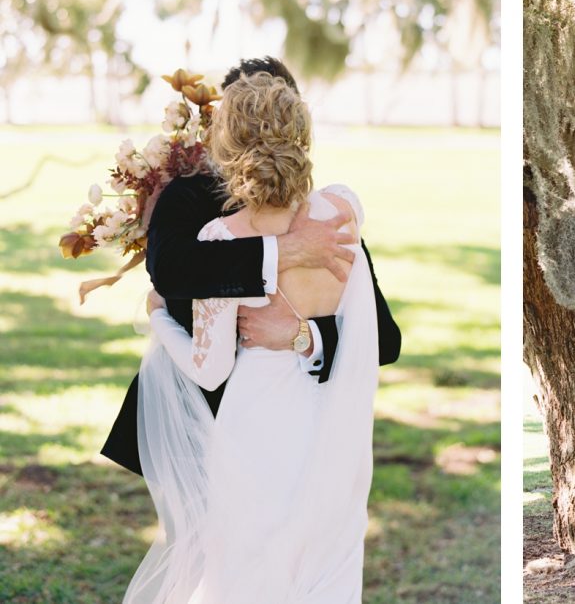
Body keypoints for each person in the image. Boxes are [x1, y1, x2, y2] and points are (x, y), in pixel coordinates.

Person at [124, 70, 378, 602]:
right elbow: (367, 333)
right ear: (302, 138)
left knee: (245, 572)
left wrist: (158, 318)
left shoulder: (220, 236)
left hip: (252, 428)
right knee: (324, 569)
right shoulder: (342, 213)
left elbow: (210, 369)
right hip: (330, 424)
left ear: (228, 147)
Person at [100, 56, 400, 476]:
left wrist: (301, 336)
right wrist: (285, 250)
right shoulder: (188, 196)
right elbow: (171, 271)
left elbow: (383, 338)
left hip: (295, 432)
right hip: (193, 424)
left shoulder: (325, 218)